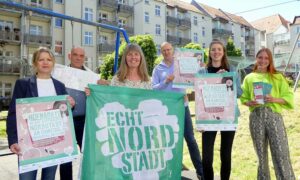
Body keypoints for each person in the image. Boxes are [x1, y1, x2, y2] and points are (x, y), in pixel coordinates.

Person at [6, 47, 75, 180]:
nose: (45, 62)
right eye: (41, 59)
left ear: (53, 63)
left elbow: (64, 114)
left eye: (49, 60)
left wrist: (70, 105)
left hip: (54, 143)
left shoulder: (59, 85)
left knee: (49, 178)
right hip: (28, 144)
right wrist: (13, 140)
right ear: (35, 63)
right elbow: (14, 114)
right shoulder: (23, 84)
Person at [151, 42, 204, 179]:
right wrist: (166, 82)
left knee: (190, 139)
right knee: (170, 142)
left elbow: (196, 78)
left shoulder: (182, 63)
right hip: (166, 110)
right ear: (161, 52)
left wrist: (200, 69)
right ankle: (171, 172)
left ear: (173, 51)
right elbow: (153, 88)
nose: (167, 52)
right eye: (164, 50)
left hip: (182, 106)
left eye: (169, 49)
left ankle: (201, 172)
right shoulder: (158, 69)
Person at [240, 48, 295, 179]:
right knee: (261, 154)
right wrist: (249, 102)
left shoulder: (277, 77)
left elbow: (288, 97)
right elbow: (243, 98)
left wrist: (274, 99)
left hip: (274, 117)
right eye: (260, 57)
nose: (263, 60)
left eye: (266, 58)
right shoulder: (249, 78)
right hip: (256, 117)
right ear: (256, 58)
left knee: (281, 152)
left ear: (270, 60)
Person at [200, 40, 242, 180]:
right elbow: (199, 95)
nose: (216, 52)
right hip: (208, 117)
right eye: (213, 49)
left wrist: (227, 79)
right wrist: (200, 121)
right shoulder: (202, 71)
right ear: (209, 52)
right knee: (206, 158)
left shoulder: (232, 70)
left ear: (223, 52)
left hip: (228, 117)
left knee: (225, 155)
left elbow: (240, 93)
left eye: (219, 49)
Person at [86, 43, 151, 93]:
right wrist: (94, 91)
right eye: (130, 54)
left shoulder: (148, 81)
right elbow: (108, 99)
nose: (133, 57)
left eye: (136, 54)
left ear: (141, 58)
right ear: (125, 59)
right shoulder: (117, 80)